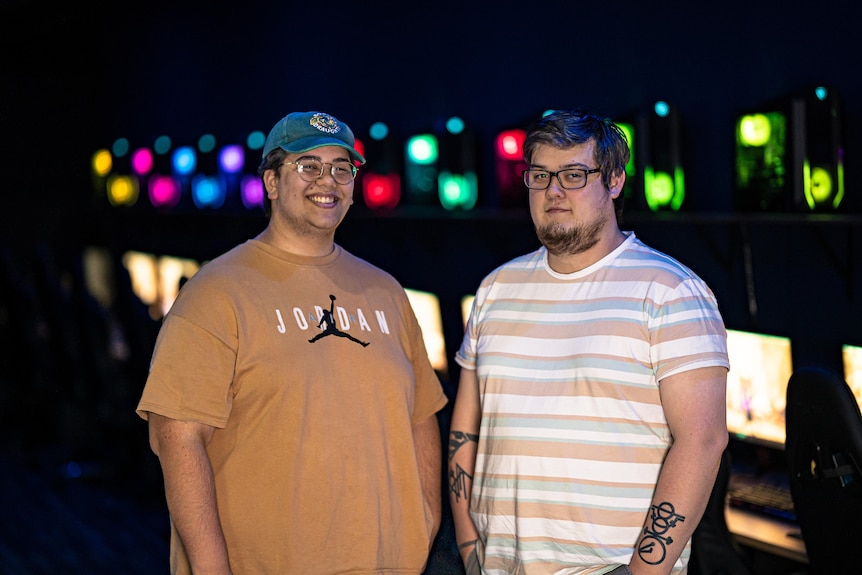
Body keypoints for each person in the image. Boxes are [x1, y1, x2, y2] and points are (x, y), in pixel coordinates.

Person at [136, 111, 448, 575]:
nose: (328, 180)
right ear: (272, 182)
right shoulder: (216, 292)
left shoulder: (386, 291)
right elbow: (177, 438)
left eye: (342, 168)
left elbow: (421, 416)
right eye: (308, 166)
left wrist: (424, 525)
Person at [448, 109, 729, 575]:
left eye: (574, 174)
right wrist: (468, 544)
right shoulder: (496, 288)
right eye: (540, 175)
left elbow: (703, 440)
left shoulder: (669, 290)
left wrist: (645, 570)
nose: (553, 190)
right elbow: (466, 427)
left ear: (615, 181)